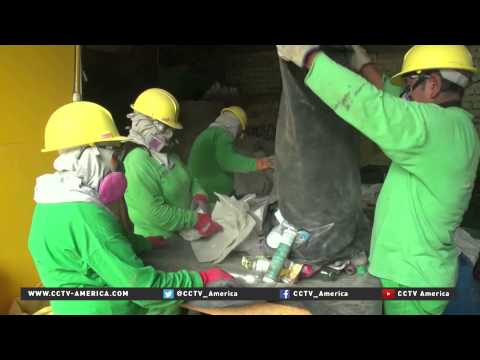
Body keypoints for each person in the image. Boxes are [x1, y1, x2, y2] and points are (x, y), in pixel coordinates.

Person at [276, 45, 480, 315]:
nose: (406, 95)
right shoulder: (455, 127)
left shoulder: (436, 127)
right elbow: (394, 103)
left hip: (411, 280)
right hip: (417, 270)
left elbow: (376, 108)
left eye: (410, 85)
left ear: (432, 84)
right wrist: (364, 65)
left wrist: (310, 58)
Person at [28, 101, 234, 315]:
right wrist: (201, 279)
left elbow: (96, 250)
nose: (116, 166)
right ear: (91, 156)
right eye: (114, 156)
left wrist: (143, 243)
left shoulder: (49, 202)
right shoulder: (86, 216)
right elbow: (143, 290)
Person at [122, 89, 223, 248]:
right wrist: (195, 219)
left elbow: (191, 178)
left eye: (170, 129)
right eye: (163, 128)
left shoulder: (168, 153)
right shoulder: (136, 160)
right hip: (159, 244)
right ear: (144, 123)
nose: (168, 135)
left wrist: (199, 196)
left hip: (184, 234)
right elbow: (154, 212)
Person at [188, 106, 275, 202]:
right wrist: (260, 163)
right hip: (211, 193)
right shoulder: (223, 135)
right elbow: (228, 162)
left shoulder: (209, 133)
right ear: (236, 126)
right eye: (240, 131)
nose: (240, 136)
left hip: (201, 188)